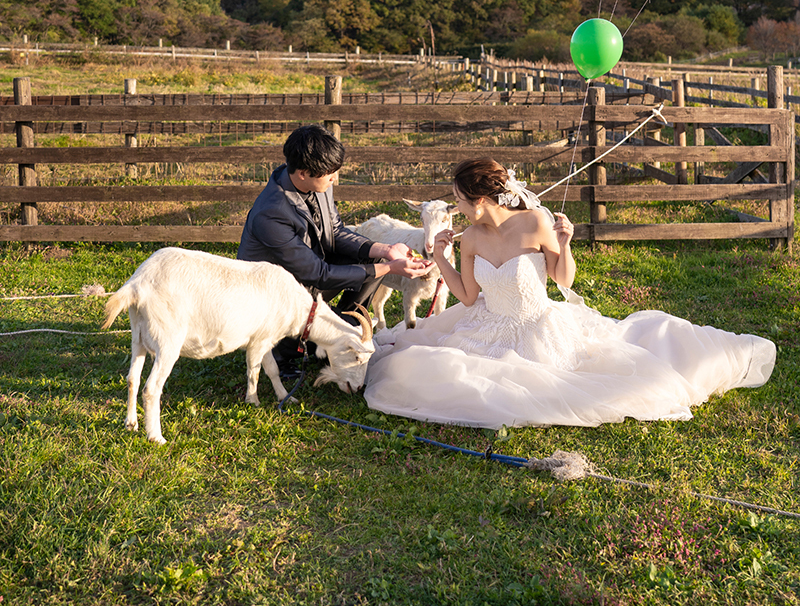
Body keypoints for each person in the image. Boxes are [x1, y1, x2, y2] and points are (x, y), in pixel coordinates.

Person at [364, 158, 776, 428]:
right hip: (484, 326)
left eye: (459, 199)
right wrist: (442, 256)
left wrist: (567, 242)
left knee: (556, 383)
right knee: (411, 369)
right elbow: (468, 297)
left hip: (538, 325)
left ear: (481, 199)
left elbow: (565, 278)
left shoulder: (537, 222)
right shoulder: (470, 237)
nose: (456, 206)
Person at [238, 124, 430, 372]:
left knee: (371, 267)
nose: (335, 179)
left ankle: (341, 336)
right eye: (330, 173)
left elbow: (336, 231)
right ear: (304, 173)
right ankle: (284, 352)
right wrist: (389, 267)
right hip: (274, 295)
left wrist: (385, 250)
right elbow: (316, 273)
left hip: (308, 273)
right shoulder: (272, 213)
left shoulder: (316, 184)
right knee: (374, 270)